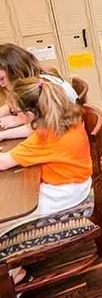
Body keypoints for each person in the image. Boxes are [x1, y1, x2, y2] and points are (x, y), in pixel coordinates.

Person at [0, 78, 93, 283]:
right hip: (77, 183)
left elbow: (4, 162)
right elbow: (28, 136)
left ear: (31, 114)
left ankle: (15, 274)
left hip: (65, 195)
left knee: (5, 220)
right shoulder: (62, 118)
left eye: (17, 112)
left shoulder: (44, 138)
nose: (16, 116)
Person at [0, 43, 77, 141]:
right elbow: (11, 106)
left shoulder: (42, 88)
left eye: (2, 79)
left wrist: (4, 134)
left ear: (15, 71)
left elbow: (40, 127)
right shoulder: (39, 79)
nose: (1, 85)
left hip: (64, 137)